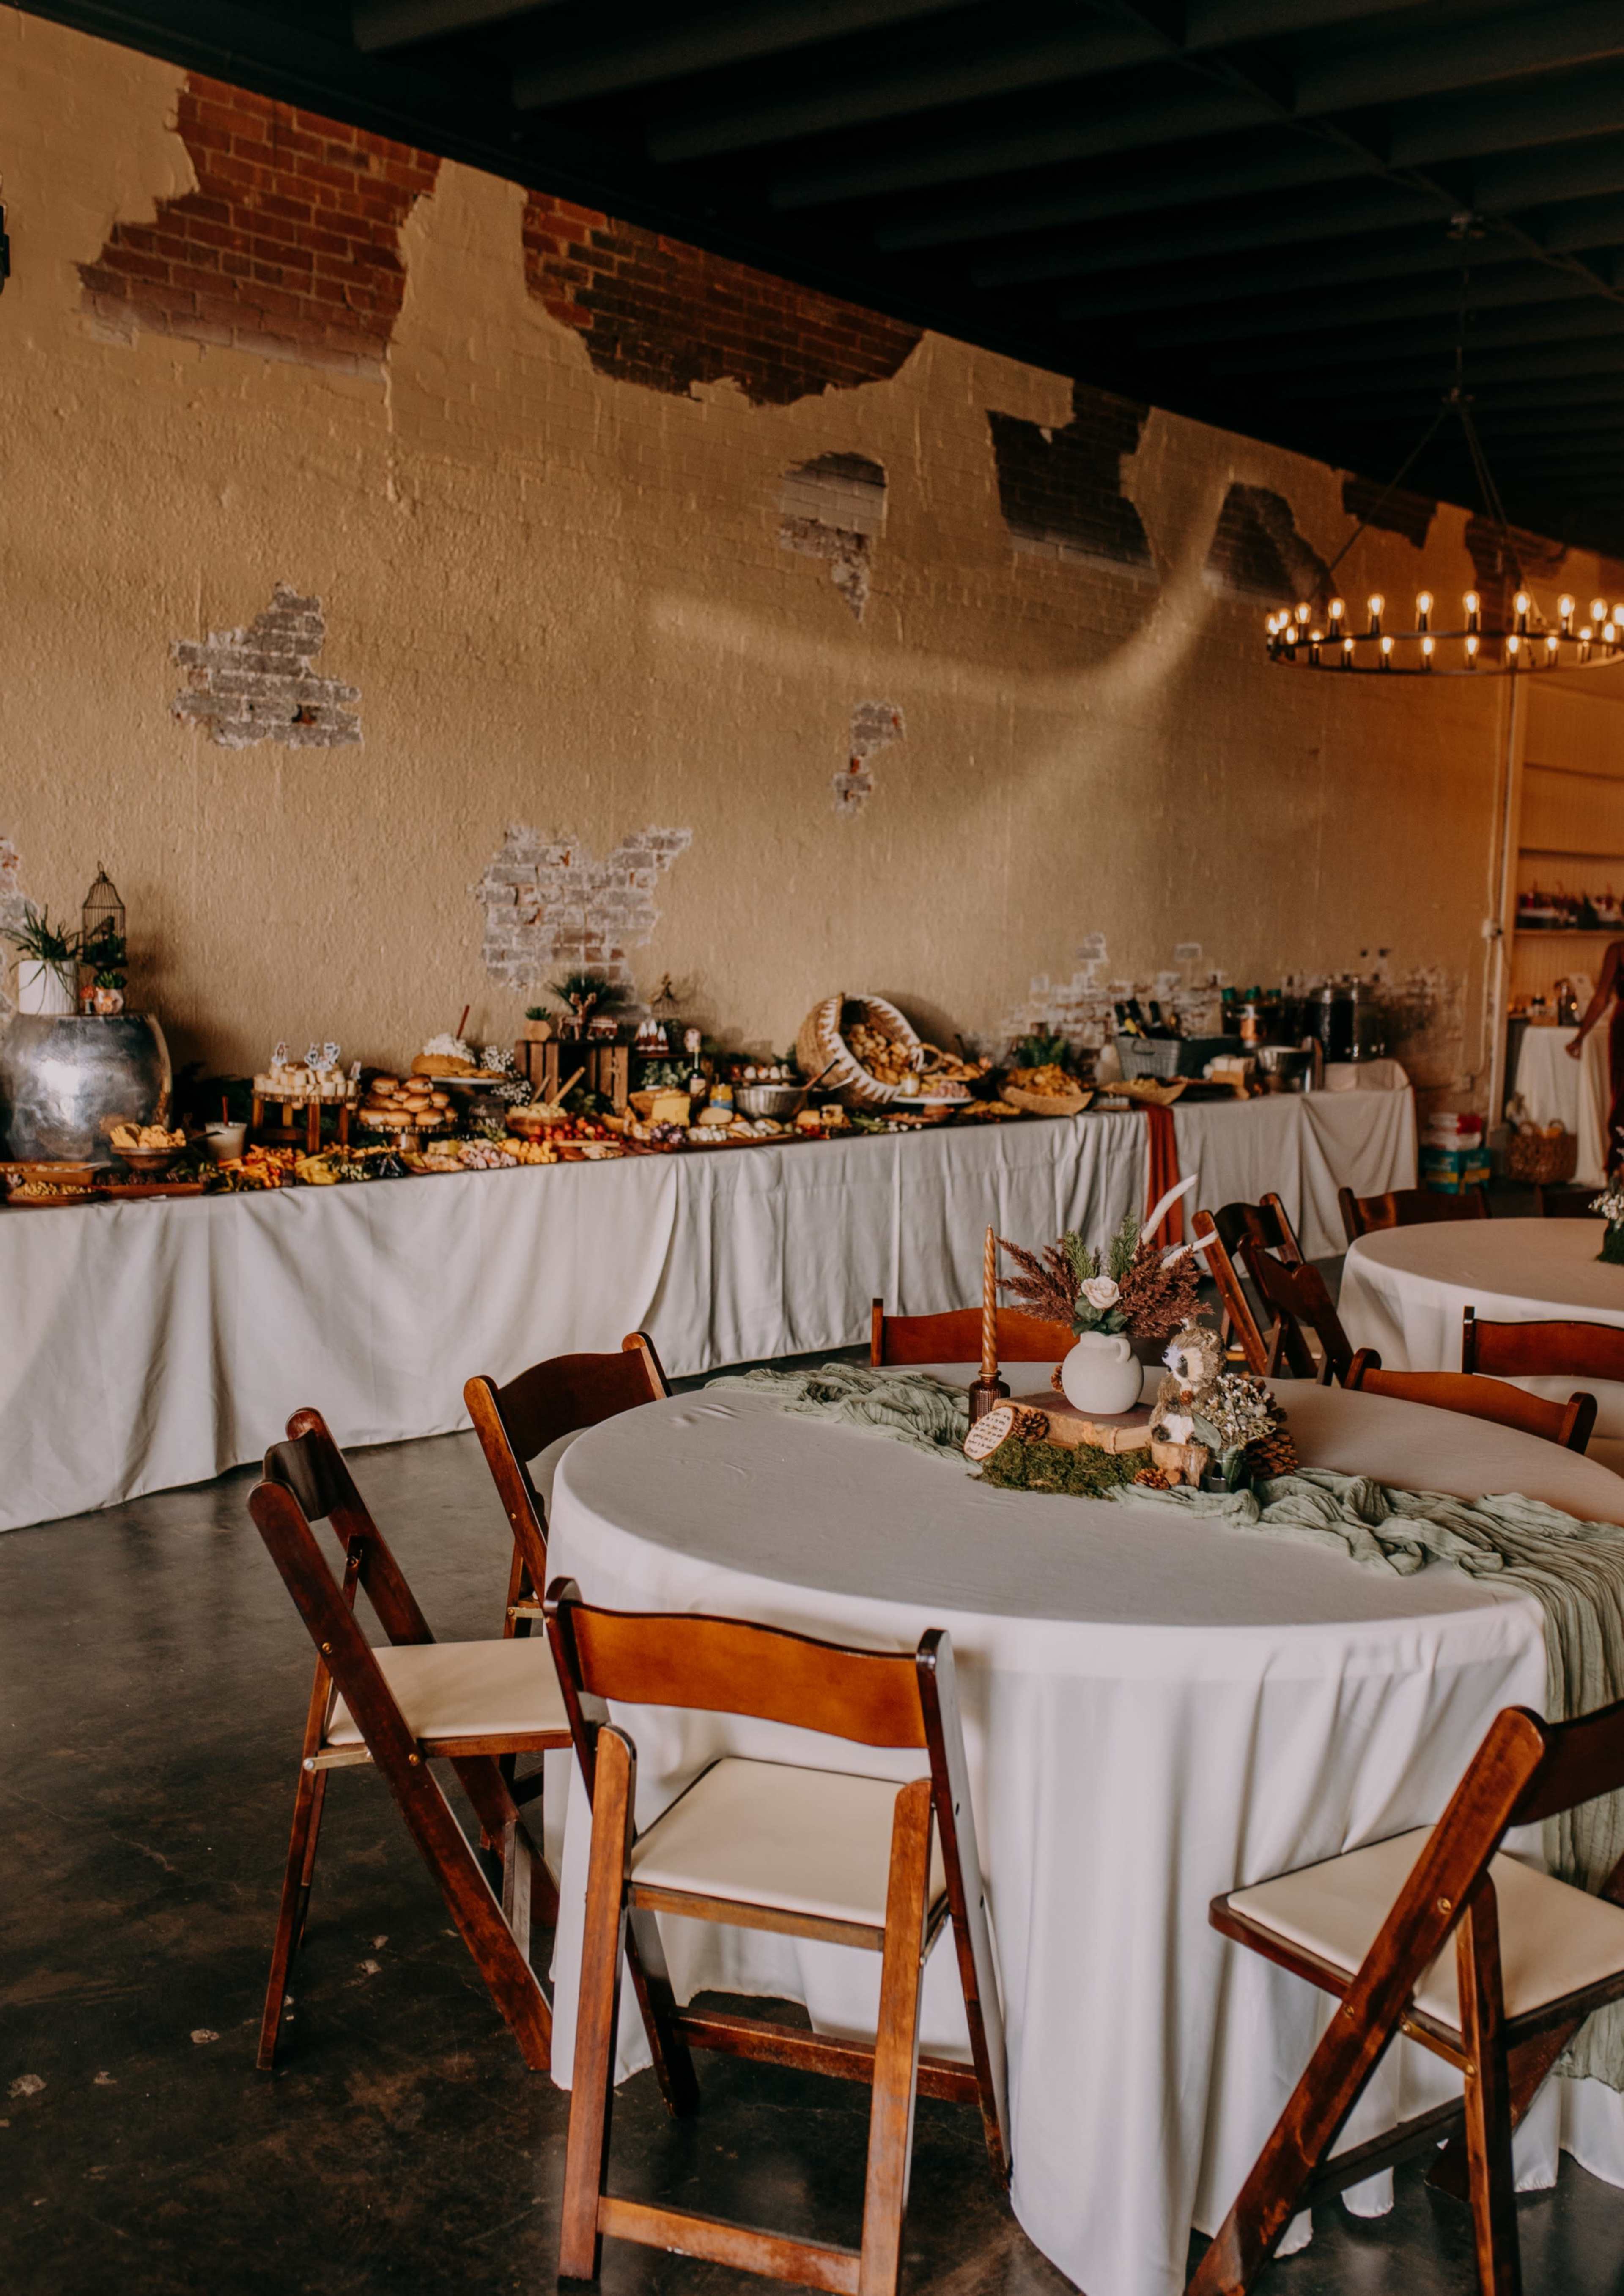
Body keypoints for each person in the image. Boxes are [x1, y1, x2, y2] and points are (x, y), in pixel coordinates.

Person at [1566, 943, 1624, 1169]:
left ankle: (1619, 1177)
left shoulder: (1618, 951)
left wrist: (1580, 1037)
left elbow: (1602, 999)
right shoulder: (1617, 950)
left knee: (1622, 1097)